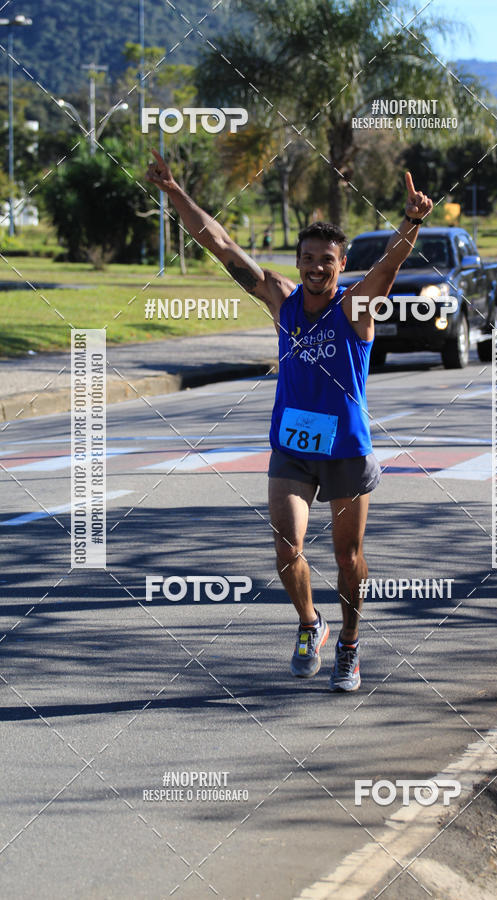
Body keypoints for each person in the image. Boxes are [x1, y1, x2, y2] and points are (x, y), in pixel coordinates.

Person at [146, 150, 433, 691]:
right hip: (295, 447)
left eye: (327, 259)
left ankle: (349, 641)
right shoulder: (282, 299)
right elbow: (222, 245)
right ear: (298, 261)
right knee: (287, 549)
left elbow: (390, 266)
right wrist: (174, 191)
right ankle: (311, 624)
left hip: (346, 448)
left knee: (348, 560)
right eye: (308, 258)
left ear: (340, 265)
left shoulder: (356, 309)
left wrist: (412, 221)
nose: (316, 267)